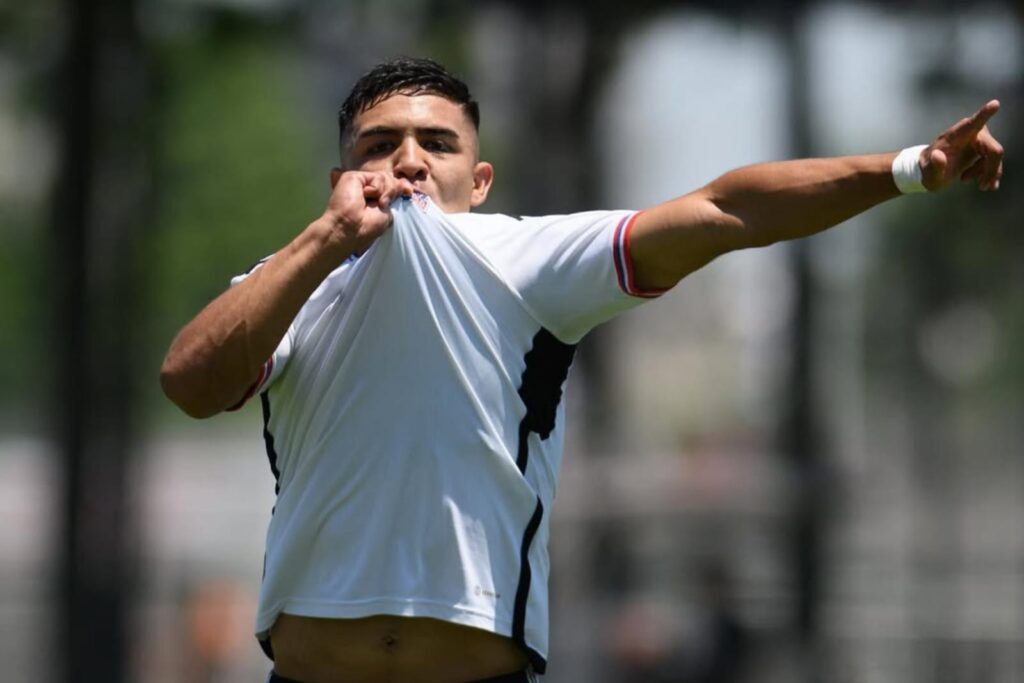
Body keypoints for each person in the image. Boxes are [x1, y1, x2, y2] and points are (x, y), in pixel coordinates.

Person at [159, 57, 1004, 683]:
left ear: (477, 179)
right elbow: (190, 383)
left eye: (437, 142)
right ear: (343, 176)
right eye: (382, 144)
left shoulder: (526, 258)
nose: (410, 158)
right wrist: (322, 240)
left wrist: (908, 170)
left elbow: (725, 209)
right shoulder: (290, 282)